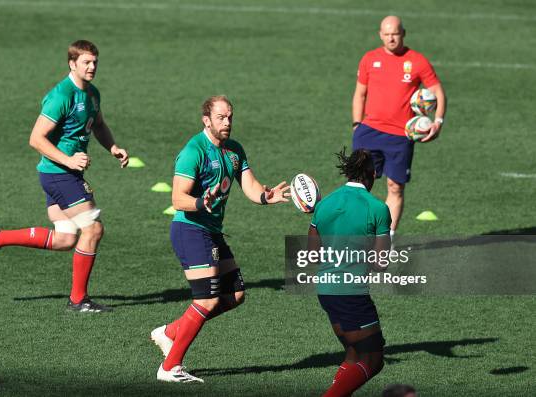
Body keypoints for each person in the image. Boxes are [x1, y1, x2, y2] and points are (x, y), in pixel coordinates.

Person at [0, 40, 129, 313]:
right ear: (72, 63)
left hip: (60, 174)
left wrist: (112, 147)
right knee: (93, 229)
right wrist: (68, 159)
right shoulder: (61, 96)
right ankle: (78, 300)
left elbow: (99, 125)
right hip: (60, 174)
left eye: (95, 62)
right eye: (86, 63)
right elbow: (35, 138)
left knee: (66, 238)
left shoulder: (92, 94)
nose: (92, 67)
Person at [150, 95, 290, 383]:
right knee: (207, 300)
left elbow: (250, 187)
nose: (227, 123)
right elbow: (177, 198)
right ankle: (170, 367)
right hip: (190, 229)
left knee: (235, 295)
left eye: (230, 117)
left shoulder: (234, 151)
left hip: (211, 231)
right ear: (206, 120)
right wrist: (202, 203)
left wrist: (266, 197)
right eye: (221, 118)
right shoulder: (194, 151)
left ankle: (169, 333)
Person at [352, 15, 446, 237]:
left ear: (403, 33)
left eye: (395, 33)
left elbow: (439, 93)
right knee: (358, 186)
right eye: (386, 34)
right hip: (369, 132)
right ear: (380, 35)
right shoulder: (369, 59)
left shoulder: (417, 61)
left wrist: (438, 122)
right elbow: (360, 94)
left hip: (400, 136)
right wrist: (356, 124)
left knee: (395, 187)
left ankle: (386, 240)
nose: (391, 38)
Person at [309, 148, 390, 397]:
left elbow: (313, 253)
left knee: (354, 354)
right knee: (373, 359)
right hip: (352, 294)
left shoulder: (325, 204)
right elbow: (380, 263)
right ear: (372, 173)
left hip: (326, 291)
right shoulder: (377, 208)